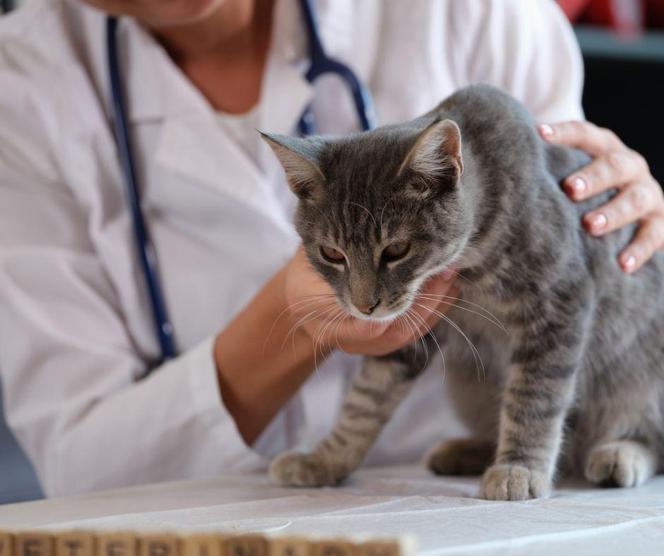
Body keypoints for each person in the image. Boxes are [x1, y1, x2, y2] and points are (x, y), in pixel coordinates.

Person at [0, 0, 662, 498]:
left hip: (465, 508)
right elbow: (80, 465)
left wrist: (631, 205)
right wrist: (291, 319)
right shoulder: (23, 85)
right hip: (208, 517)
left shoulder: (474, 9)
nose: (368, 296)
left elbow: (572, 285)